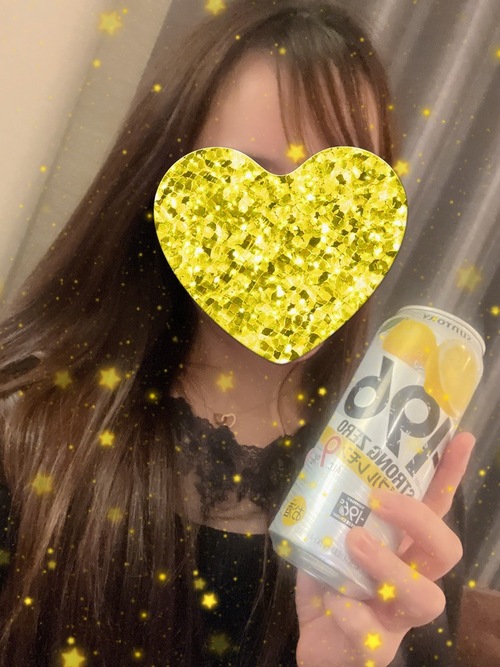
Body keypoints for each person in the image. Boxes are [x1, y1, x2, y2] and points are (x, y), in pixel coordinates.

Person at [0, 1, 473, 665]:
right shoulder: (23, 422)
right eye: (248, 184)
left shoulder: (407, 490)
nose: (299, 235)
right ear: (164, 200)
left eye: (341, 194)